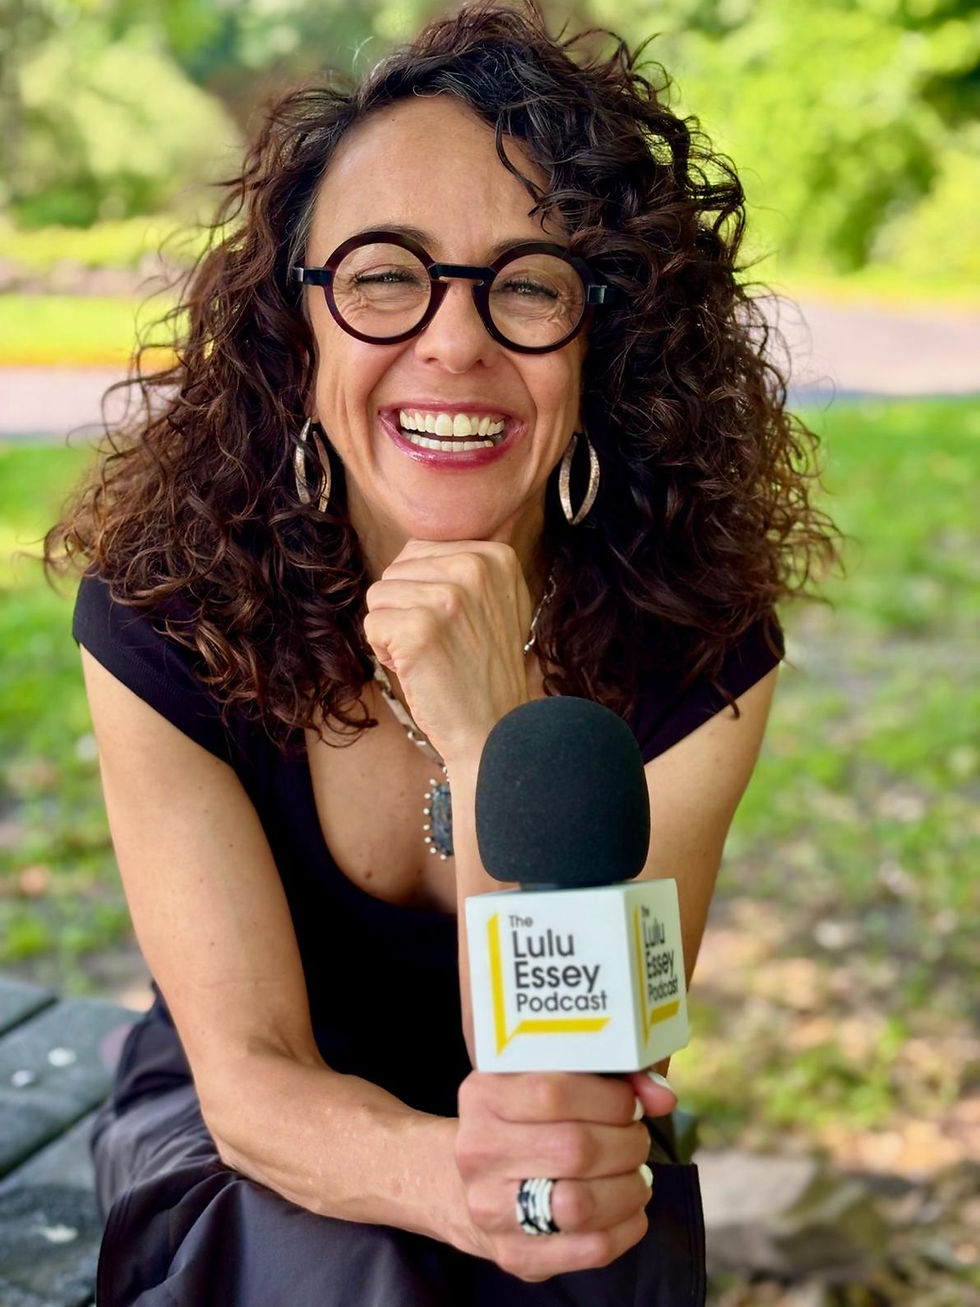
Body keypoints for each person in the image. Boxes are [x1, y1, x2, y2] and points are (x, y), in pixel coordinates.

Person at [45, 2, 835, 1303]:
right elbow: (249, 1081)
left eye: (527, 283)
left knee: (574, 1241)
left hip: (561, 1155)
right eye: (383, 276)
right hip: (248, 1155)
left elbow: (573, 1075)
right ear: (298, 330)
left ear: (602, 344)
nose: (455, 341)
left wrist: (496, 738)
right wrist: (466, 1189)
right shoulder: (161, 614)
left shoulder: (699, 652)